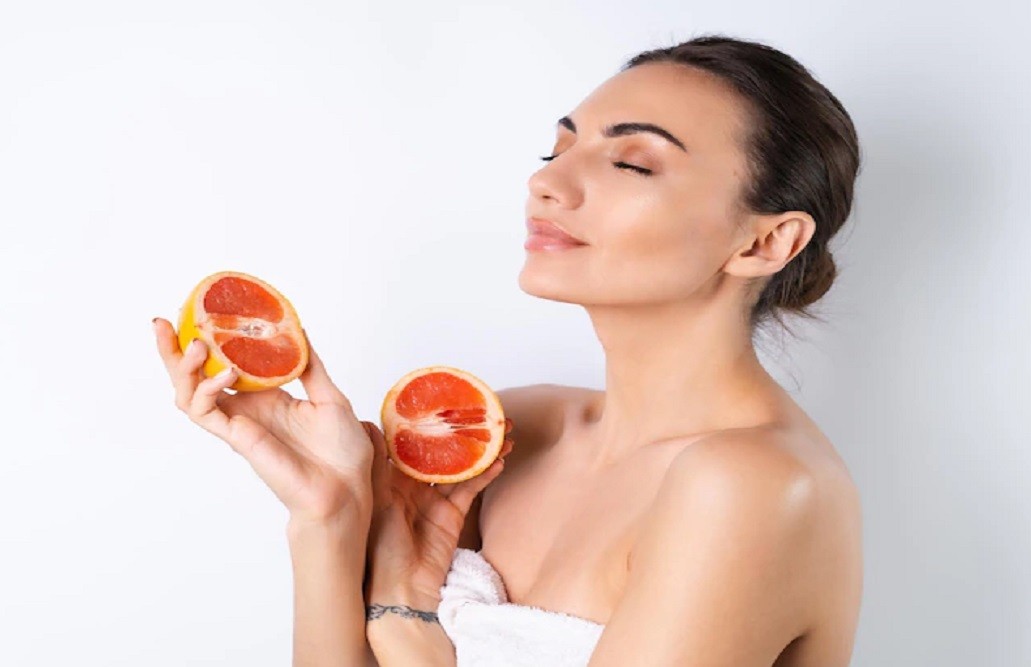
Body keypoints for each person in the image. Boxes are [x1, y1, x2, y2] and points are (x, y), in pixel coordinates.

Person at [153, 33, 863, 667]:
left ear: (766, 242)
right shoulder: (505, 432)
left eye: (632, 163)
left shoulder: (756, 486)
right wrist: (329, 517)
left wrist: (404, 629)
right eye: (557, 150)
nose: (545, 182)